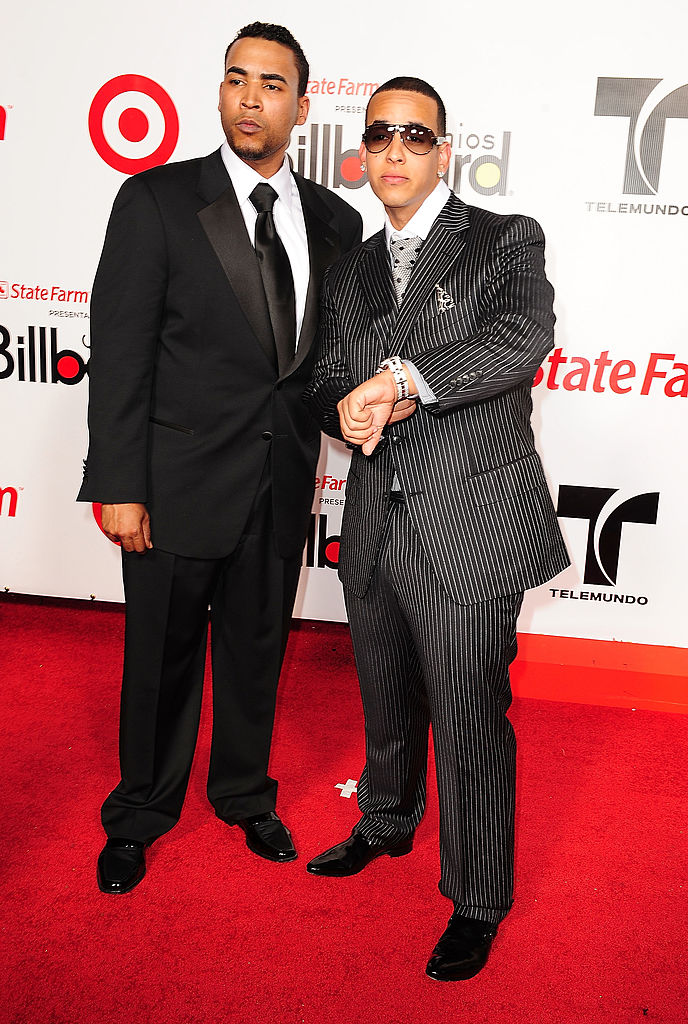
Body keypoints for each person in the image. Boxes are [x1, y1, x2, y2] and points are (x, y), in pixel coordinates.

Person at [78, 22, 362, 895]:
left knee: (255, 652)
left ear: (301, 106)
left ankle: (244, 793)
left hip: (278, 487)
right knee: (159, 656)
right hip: (173, 485)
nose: (250, 97)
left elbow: (323, 363)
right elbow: (121, 350)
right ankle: (141, 811)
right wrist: (120, 483)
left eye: (271, 84)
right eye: (236, 78)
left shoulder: (334, 219)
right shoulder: (157, 199)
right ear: (219, 92)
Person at [303, 77, 569, 980]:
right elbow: (324, 380)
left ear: (446, 150)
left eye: (415, 134)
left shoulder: (503, 238)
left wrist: (404, 382)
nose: (395, 150)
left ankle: (479, 897)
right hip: (376, 516)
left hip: (468, 521)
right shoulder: (351, 267)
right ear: (364, 152)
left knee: (468, 719)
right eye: (379, 135)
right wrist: (348, 411)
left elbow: (522, 338)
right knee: (384, 696)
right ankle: (385, 820)